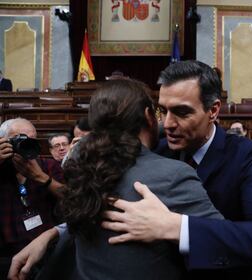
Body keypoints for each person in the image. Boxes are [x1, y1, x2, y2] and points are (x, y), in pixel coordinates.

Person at [9, 79, 223, 280]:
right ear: (149, 116)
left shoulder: (84, 168)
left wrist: (55, 232)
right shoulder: (173, 175)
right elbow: (225, 244)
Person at [102, 60, 252, 278]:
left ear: (212, 110)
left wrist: (176, 228)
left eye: (182, 112)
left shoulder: (245, 156)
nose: (168, 123)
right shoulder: (157, 148)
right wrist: (61, 231)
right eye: (163, 111)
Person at [0, 118, 63, 279]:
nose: (26, 144)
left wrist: (41, 177)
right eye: (20, 140)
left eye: (31, 140)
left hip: (46, 251)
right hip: (5, 254)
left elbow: (75, 199)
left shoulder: (48, 166)